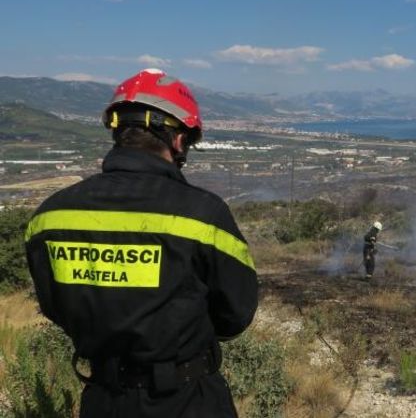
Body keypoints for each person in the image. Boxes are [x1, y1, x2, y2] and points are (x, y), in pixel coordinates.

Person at [24, 69, 258, 418]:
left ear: (118, 131)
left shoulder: (49, 217)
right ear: (178, 140)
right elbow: (235, 315)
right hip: (187, 401)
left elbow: (55, 306)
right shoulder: (204, 215)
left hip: (102, 401)